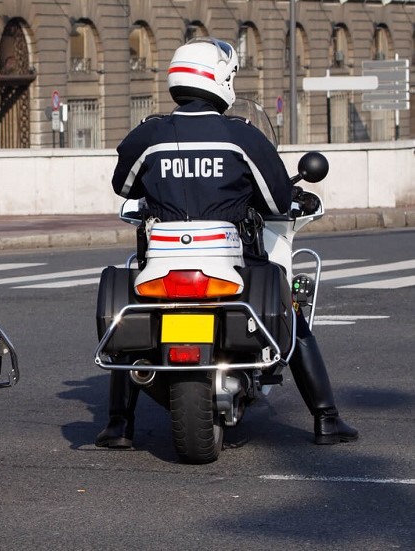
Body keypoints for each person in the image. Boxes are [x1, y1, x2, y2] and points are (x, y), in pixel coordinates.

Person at [97, 37, 358, 448]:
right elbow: (275, 202)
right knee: (291, 315)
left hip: (163, 261)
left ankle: (118, 425)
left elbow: (124, 186)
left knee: (134, 313)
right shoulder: (242, 136)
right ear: (222, 78)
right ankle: (326, 419)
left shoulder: (147, 135)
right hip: (232, 260)